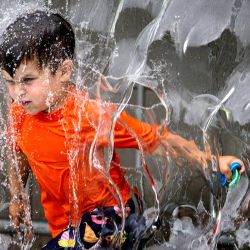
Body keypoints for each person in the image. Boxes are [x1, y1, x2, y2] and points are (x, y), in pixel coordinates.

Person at [0, 10, 244, 249]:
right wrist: (17, 197)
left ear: (64, 71)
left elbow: (155, 140)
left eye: (27, 80)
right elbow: (18, 151)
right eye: (9, 81)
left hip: (112, 219)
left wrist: (210, 160)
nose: (16, 92)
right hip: (67, 229)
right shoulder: (19, 114)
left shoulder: (88, 116)